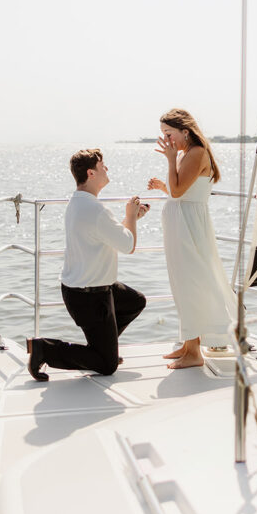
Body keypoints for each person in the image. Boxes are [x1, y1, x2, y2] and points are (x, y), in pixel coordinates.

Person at [26, 148, 148, 381]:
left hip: (87, 288)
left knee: (134, 302)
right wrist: (131, 215)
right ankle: (45, 349)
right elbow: (128, 246)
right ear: (91, 173)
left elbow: (111, 236)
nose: (107, 169)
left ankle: (103, 347)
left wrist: (130, 220)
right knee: (106, 365)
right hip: (90, 297)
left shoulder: (79, 202)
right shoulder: (96, 209)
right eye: (103, 166)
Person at [148, 108, 236, 369]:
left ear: (184, 131)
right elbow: (181, 191)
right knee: (182, 282)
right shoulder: (187, 153)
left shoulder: (196, 153)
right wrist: (164, 183)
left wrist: (170, 159)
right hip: (181, 223)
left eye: (169, 133)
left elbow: (177, 192)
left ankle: (194, 353)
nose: (166, 139)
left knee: (191, 283)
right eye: (163, 134)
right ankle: (188, 345)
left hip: (188, 226)